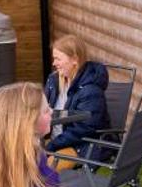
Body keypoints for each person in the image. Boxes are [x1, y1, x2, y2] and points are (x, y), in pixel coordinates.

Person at [43, 35, 112, 165]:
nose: (54, 63)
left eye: (58, 59)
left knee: (45, 168)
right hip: (54, 140)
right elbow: (42, 111)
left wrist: (50, 146)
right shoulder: (53, 81)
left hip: (80, 145)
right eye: (54, 58)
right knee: (18, 157)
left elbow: (83, 129)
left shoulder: (91, 90)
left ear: (74, 59)